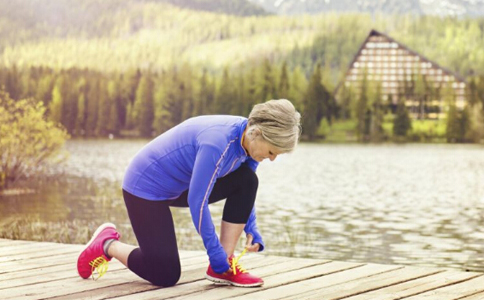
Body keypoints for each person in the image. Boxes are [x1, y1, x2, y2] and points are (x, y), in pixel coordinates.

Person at [77, 99, 301, 287]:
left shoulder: (249, 141)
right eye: (272, 152)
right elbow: (198, 202)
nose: (272, 158)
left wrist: (251, 227)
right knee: (165, 274)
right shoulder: (218, 143)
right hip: (145, 187)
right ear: (257, 133)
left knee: (247, 179)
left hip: (180, 185)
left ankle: (222, 268)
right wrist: (214, 252)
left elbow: (244, 183)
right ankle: (107, 244)